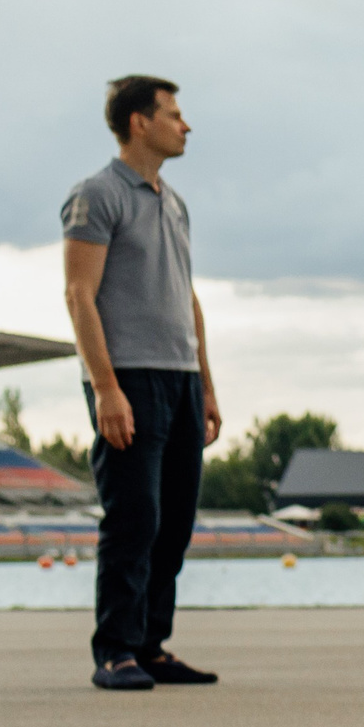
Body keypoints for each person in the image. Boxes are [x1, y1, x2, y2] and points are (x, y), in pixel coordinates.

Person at [62, 75, 223, 691]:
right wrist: (105, 388)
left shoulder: (174, 202)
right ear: (139, 122)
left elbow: (188, 297)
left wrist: (206, 385)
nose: (185, 126)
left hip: (180, 377)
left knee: (175, 520)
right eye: (174, 115)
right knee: (134, 517)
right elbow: (79, 294)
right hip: (127, 376)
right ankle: (115, 651)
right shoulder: (97, 196)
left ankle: (152, 644)